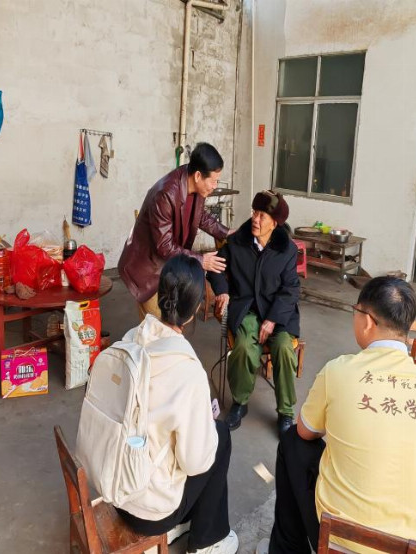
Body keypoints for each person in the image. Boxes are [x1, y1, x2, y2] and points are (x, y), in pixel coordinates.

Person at [257, 277, 416, 554]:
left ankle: (286, 550)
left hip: (345, 542)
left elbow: (304, 432)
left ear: (368, 321)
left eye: (355, 312)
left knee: (293, 443)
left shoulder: (339, 370)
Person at [81, 255, 238, 554]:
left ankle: (183, 523)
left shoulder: (131, 339)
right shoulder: (187, 369)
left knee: (177, 437)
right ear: (195, 309)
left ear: (161, 294)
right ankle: (207, 541)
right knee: (220, 438)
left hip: (115, 486)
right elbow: (196, 463)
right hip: (150, 511)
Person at [208, 190, 300, 437]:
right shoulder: (237, 242)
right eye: (254, 212)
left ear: (275, 223)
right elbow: (215, 268)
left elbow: (291, 289)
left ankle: (286, 411)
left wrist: (272, 319)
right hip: (246, 308)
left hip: (278, 312)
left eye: (262, 216)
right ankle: (240, 402)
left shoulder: (287, 250)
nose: (255, 219)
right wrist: (223, 291)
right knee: (244, 348)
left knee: (284, 348)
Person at [118, 143, 230, 319]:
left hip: (170, 266)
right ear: (198, 176)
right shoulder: (165, 194)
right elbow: (165, 247)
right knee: (158, 324)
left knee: (177, 319)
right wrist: (201, 260)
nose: (215, 186)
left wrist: (226, 232)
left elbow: (199, 216)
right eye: (213, 181)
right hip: (149, 271)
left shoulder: (195, 184)